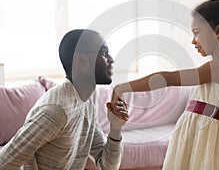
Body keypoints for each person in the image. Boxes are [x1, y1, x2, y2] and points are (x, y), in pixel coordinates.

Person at [111, 0, 219, 170]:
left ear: (217, 31)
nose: (193, 40)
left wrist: (122, 88)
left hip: (206, 141)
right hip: (196, 136)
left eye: (196, 32)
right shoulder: (216, 67)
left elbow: (167, 78)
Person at [0, 29, 129, 169]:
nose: (111, 59)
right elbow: (5, 162)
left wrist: (115, 128)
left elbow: (108, 166)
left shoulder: (84, 102)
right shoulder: (56, 111)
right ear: (80, 60)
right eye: (104, 53)